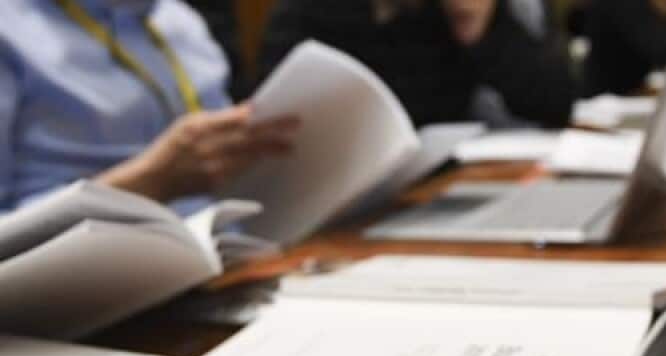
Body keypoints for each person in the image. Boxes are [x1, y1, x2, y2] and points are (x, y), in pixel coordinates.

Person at [0, 0, 299, 212]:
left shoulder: (180, 20)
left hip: (229, 257)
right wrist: (149, 180)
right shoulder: (10, 31)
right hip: (85, 276)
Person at [257, 0, 576, 129]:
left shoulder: (455, 9)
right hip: (340, 199)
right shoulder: (310, 12)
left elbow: (557, 104)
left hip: (435, 191)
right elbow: (267, 120)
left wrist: (479, 28)